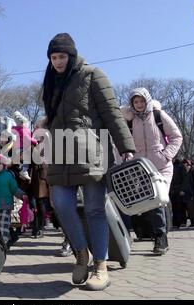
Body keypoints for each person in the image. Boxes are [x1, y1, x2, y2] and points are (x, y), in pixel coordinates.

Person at [43, 33, 136, 291]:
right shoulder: (51, 80)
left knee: (95, 210)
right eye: (53, 57)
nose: (58, 62)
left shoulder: (93, 74)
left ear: (71, 55)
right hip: (60, 150)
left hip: (93, 150)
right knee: (61, 204)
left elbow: (111, 112)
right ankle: (82, 254)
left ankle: (101, 266)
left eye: (62, 56)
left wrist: (125, 146)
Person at [121, 88, 183, 254]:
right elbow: (124, 142)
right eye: (136, 102)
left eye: (142, 101)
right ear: (132, 104)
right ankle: (138, 234)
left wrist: (166, 155)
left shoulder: (158, 116)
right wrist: (128, 156)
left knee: (158, 198)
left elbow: (177, 136)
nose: (139, 105)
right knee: (143, 202)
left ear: (147, 101)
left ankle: (161, 236)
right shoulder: (129, 120)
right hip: (140, 167)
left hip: (161, 166)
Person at [12, 111, 38, 181]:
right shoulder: (22, 130)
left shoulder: (25, 129)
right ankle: (24, 170)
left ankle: (21, 167)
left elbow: (32, 135)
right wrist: (35, 142)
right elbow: (28, 138)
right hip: (21, 148)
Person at [169, 159, 187, 228]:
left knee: (180, 207)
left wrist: (183, 189)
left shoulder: (180, 166)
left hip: (179, 190)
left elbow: (185, 179)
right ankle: (175, 223)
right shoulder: (171, 166)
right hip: (172, 190)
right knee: (174, 207)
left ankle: (182, 222)